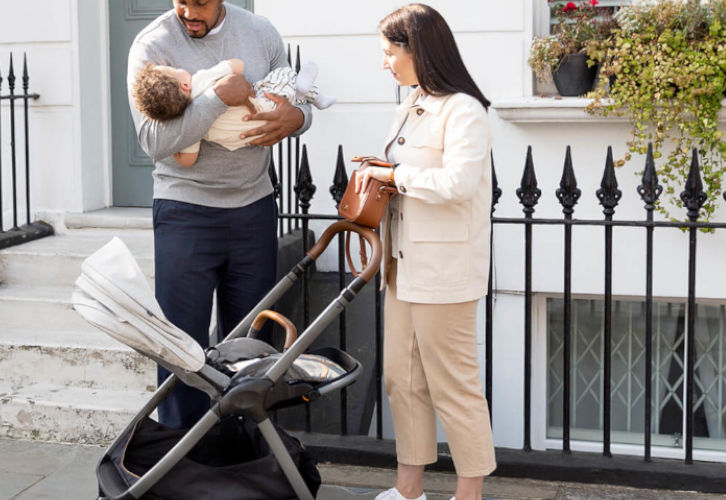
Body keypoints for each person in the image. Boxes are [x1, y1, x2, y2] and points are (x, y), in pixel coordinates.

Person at [127, 0, 312, 430]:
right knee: (181, 350)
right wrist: (214, 97)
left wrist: (298, 118)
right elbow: (153, 140)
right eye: (182, 2)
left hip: (254, 208)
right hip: (185, 212)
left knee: (252, 348)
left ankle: (244, 459)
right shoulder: (152, 45)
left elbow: (289, 100)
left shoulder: (260, 31)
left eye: (202, 4)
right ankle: (183, 465)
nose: (190, 12)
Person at [354, 4, 496, 500]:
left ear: (419, 50)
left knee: (453, 387)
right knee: (402, 379)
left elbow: (457, 184)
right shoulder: (412, 104)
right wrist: (378, 174)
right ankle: (408, 490)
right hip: (403, 266)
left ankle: (468, 494)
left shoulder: (464, 111)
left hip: (446, 272)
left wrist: (392, 175)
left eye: (390, 52)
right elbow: (406, 175)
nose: (385, 63)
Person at [132, 58, 334, 167]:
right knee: (280, 78)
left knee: (286, 96)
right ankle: (304, 90)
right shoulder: (200, 81)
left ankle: (306, 94)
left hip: (249, 136)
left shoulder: (189, 125)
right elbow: (237, 65)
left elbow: (188, 161)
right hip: (266, 108)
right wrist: (224, 80)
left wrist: (177, 150)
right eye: (173, 68)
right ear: (185, 84)